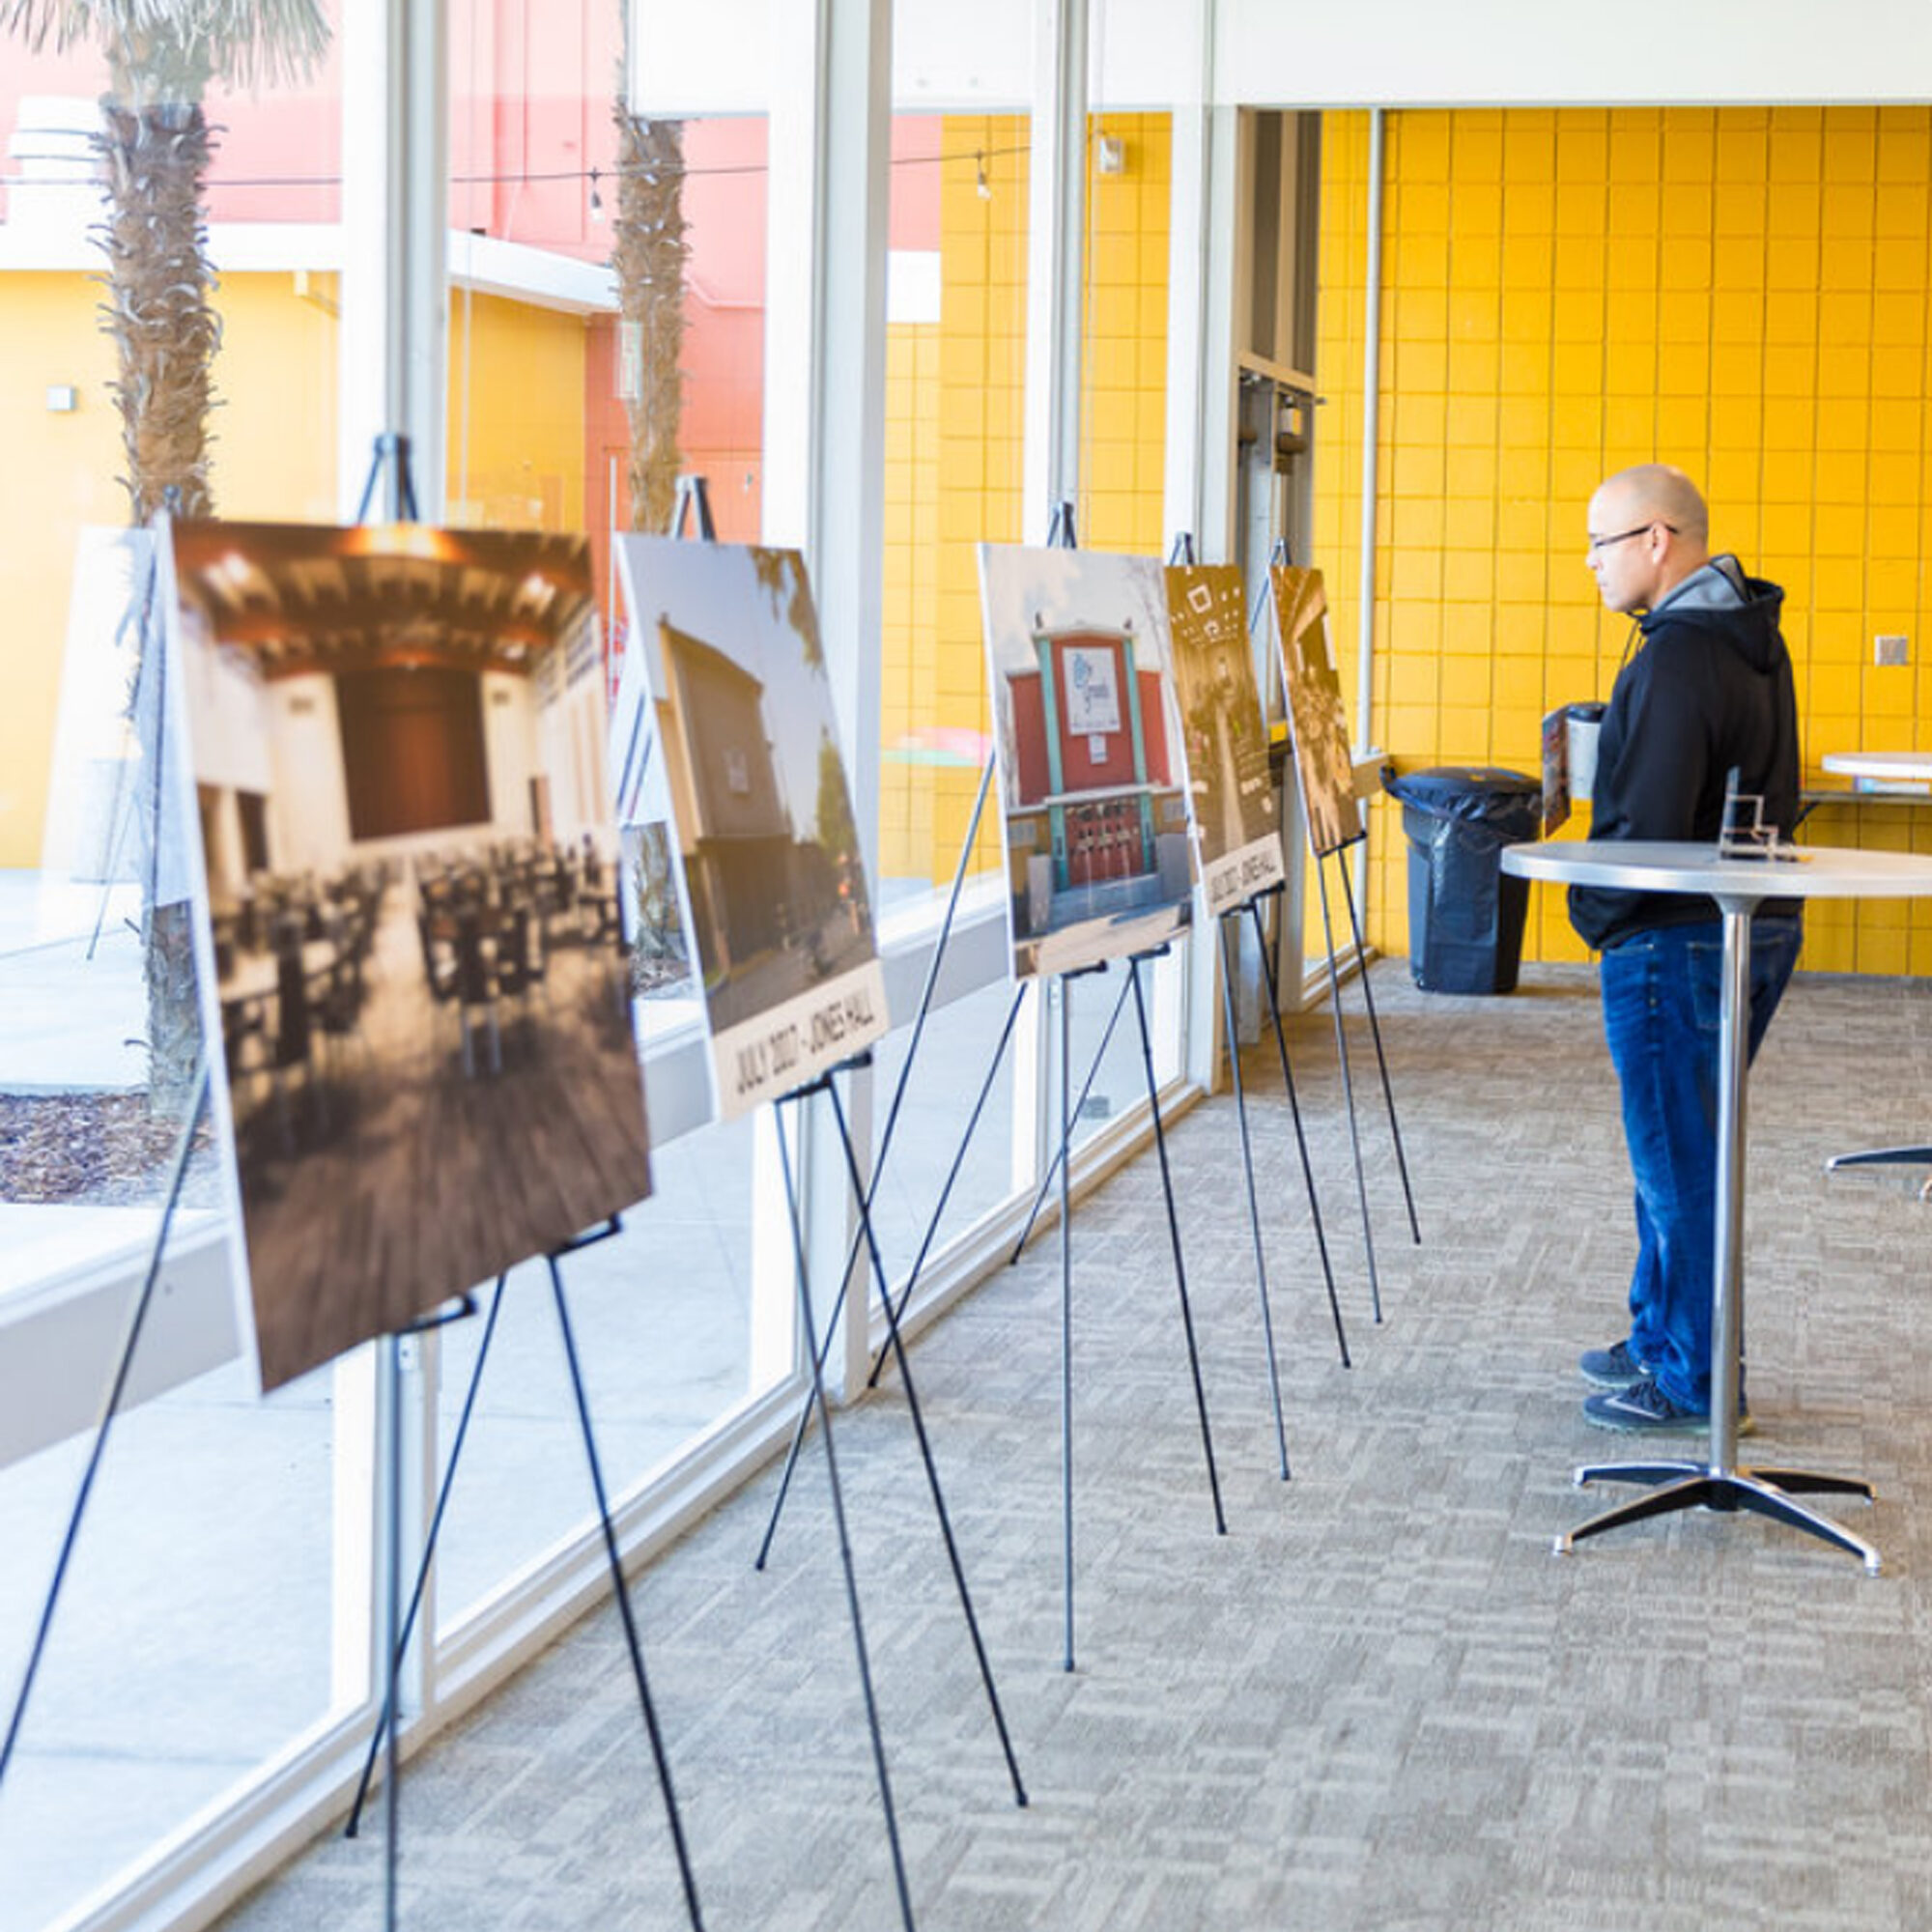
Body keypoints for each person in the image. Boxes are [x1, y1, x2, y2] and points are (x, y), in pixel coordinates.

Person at [1569, 464, 1804, 1433]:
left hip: (1672, 943)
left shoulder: (1675, 655)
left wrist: (1593, 915)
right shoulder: (1751, 637)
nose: (1587, 564)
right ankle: (1663, 1331)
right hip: (1745, 923)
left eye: (1599, 543)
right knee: (1681, 1149)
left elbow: (1647, 827)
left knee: (1675, 1164)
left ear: (1656, 539)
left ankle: (1696, 1380)